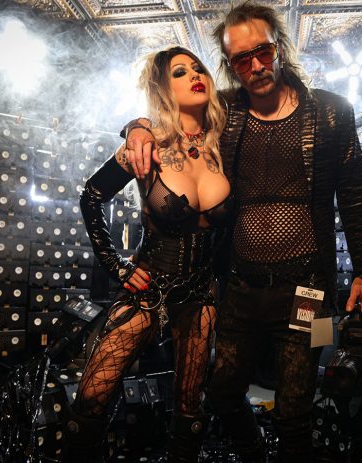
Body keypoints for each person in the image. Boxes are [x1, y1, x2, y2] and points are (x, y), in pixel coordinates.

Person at [123, 3, 362, 461]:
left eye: (263, 51)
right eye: (242, 59)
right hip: (240, 288)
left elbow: (354, 194)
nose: (256, 65)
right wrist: (136, 128)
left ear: (280, 47)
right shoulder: (225, 111)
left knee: (295, 409)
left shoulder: (332, 112)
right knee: (222, 394)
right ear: (229, 64)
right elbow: (171, 116)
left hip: (308, 290)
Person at [66, 46, 230, 463]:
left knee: (190, 406)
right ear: (162, 88)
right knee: (92, 395)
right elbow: (92, 196)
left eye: (198, 68)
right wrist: (116, 265)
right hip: (148, 287)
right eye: (179, 72)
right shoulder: (147, 144)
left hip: (200, 293)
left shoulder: (225, 141)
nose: (195, 75)